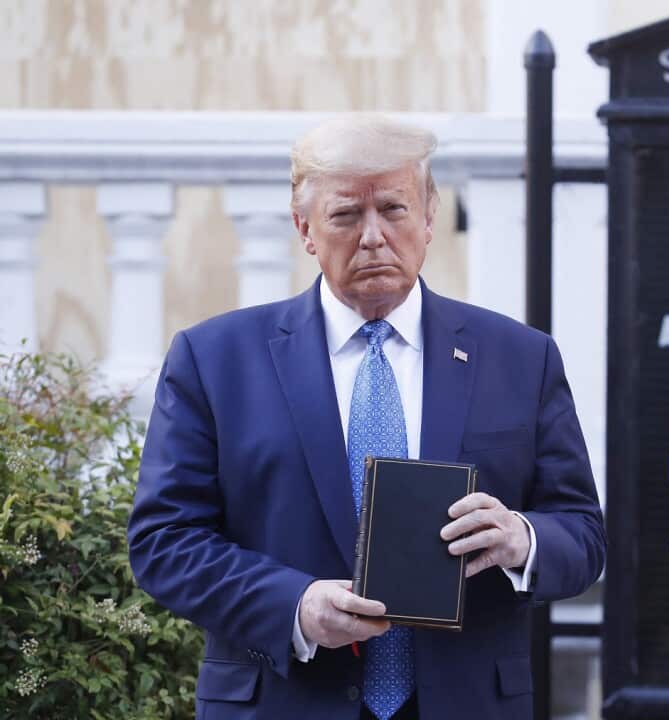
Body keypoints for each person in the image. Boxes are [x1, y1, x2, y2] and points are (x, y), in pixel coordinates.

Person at [128, 114, 605, 720]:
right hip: (283, 698)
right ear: (305, 228)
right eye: (347, 215)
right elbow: (163, 541)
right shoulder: (215, 360)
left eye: (394, 210)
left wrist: (522, 539)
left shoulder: (519, 357)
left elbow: (584, 535)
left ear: (430, 217)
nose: (373, 236)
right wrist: (292, 605)